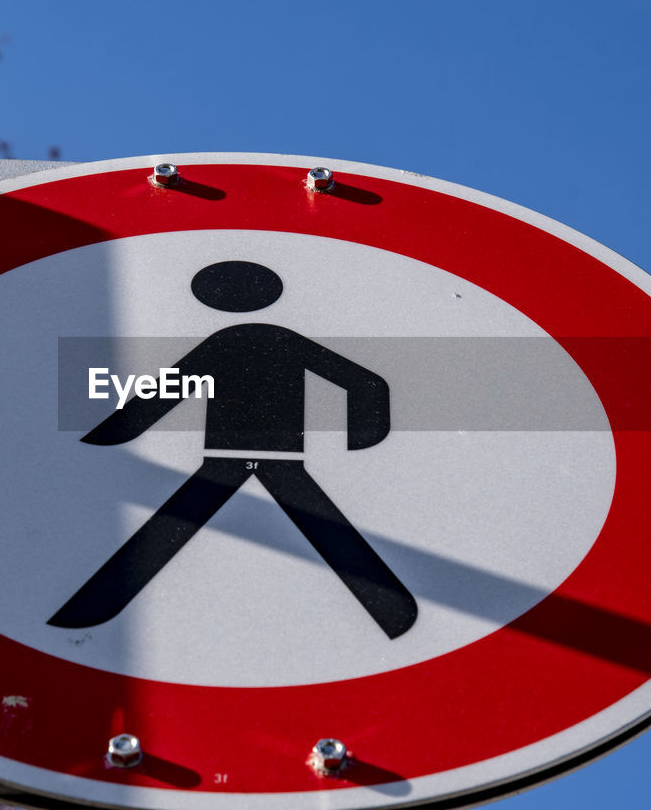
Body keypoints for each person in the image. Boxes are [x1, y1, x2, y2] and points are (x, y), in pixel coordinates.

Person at [49, 261, 417, 639]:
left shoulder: (232, 341)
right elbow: (365, 384)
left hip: (238, 456)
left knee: (176, 521)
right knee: (314, 526)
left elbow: (167, 390)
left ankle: (91, 607)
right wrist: (360, 435)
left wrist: (114, 433)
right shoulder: (279, 340)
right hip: (271, 457)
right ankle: (395, 614)